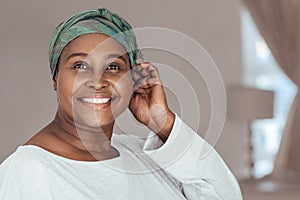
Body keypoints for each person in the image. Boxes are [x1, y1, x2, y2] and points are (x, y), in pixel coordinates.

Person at [0, 8, 243, 200]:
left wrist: (162, 122)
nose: (98, 81)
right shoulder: (29, 171)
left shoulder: (142, 155)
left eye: (114, 67)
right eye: (80, 66)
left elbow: (225, 195)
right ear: (56, 78)